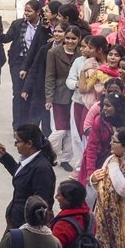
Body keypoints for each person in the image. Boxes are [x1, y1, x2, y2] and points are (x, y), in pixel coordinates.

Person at [0, 124, 57, 229]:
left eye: (17, 142)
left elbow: (40, 203)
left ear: (29, 143)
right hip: (16, 221)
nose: (15, 145)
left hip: (25, 227)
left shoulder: (42, 170)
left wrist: (26, 230)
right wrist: (5, 157)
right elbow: (22, 177)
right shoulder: (28, 159)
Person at [46, 25, 82, 171]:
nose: (70, 41)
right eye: (67, 38)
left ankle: (66, 159)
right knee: (59, 130)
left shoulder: (82, 53)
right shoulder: (53, 52)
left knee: (71, 131)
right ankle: (47, 153)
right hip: (58, 95)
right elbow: (49, 76)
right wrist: (49, 98)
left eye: (74, 38)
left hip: (76, 96)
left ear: (79, 39)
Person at [23, 22, 69, 135]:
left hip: (59, 93)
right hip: (40, 90)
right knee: (34, 120)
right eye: (55, 31)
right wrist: (26, 88)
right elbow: (34, 68)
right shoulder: (45, 48)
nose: (57, 34)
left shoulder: (70, 52)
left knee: (49, 125)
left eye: (60, 31)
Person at [2, 0, 42, 129]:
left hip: (35, 63)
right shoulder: (18, 24)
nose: (26, 13)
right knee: (18, 93)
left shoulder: (43, 27)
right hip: (18, 62)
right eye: (25, 11)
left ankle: (30, 125)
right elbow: (7, 38)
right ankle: (17, 126)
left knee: (32, 93)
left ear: (38, 12)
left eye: (30, 11)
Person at [80, 92, 125, 183]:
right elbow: (92, 147)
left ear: (118, 107)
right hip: (98, 162)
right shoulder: (99, 121)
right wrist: (91, 173)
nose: (104, 108)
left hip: (121, 164)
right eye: (104, 105)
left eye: (108, 105)